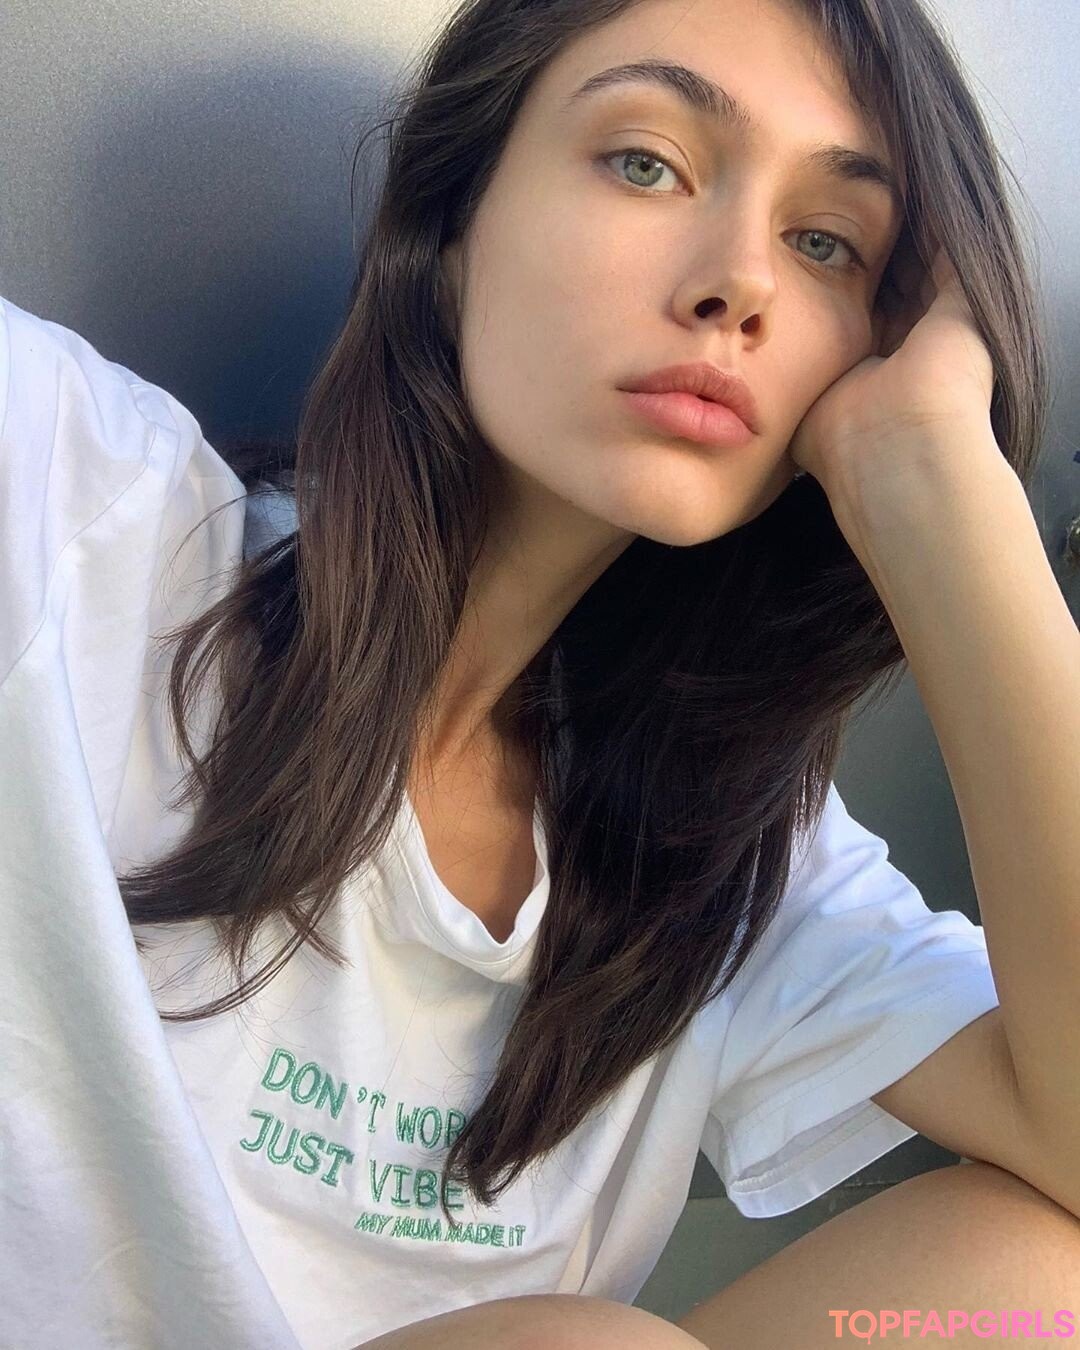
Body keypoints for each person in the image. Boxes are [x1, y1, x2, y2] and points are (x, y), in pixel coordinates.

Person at [3, 0, 1079, 1346]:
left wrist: (938, 479)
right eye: (646, 162)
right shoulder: (76, 509)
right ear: (454, 221)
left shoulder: (736, 854)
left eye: (825, 243)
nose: (739, 282)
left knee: (1042, 1287)